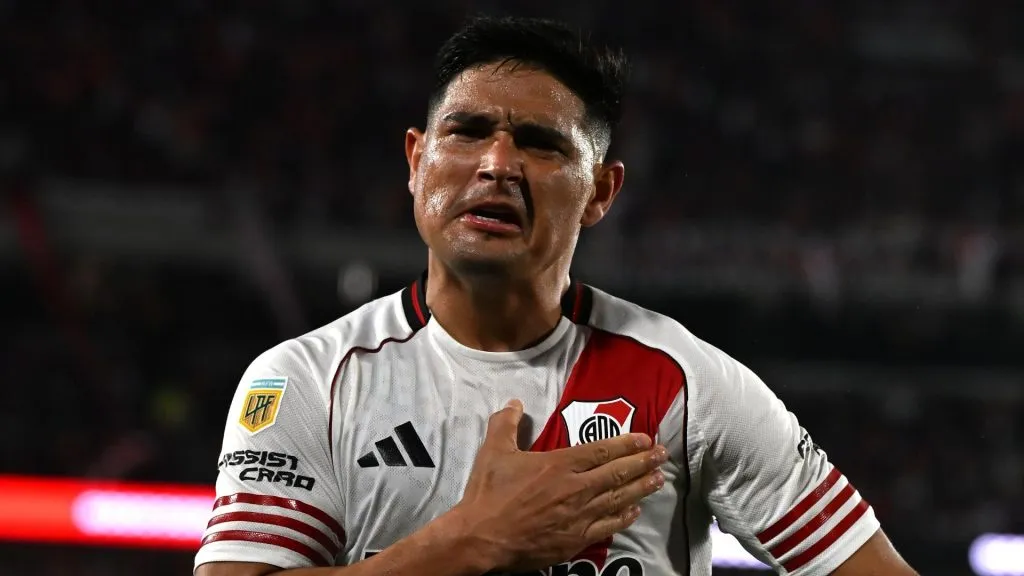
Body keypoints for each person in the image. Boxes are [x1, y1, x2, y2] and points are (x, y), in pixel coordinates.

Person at [195, 15, 918, 576]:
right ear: (417, 161)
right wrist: (473, 540)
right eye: (467, 131)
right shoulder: (307, 381)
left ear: (601, 191)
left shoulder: (690, 384)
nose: (497, 164)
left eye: (541, 143)